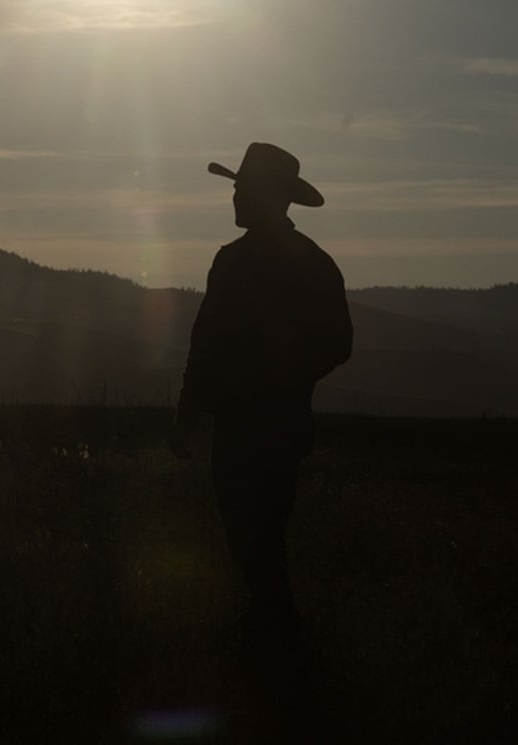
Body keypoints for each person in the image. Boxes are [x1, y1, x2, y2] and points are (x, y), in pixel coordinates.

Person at [170, 142, 353, 650]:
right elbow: (205, 345)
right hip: (260, 422)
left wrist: (278, 377)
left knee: (257, 533)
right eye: (234, 188)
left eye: (240, 188)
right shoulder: (275, 262)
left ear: (265, 196)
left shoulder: (281, 263)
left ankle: (276, 628)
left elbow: (337, 342)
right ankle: (273, 625)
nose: (233, 197)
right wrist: (189, 412)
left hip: (268, 423)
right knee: (249, 531)